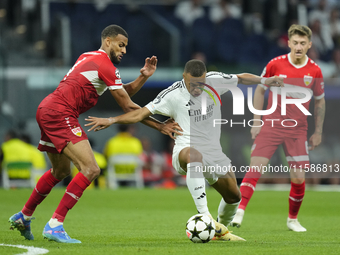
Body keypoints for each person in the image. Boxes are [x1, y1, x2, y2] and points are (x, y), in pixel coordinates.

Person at [8, 24, 181, 243]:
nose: (124, 51)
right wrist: (161, 126)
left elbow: (121, 92)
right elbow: (128, 107)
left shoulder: (88, 56)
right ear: (108, 41)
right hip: (61, 112)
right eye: (121, 45)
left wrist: (143, 77)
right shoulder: (106, 65)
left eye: (125, 47)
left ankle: (24, 215)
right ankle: (55, 224)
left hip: (47, 108)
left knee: (60, 171)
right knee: (90, 169)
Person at [85, 59, 284, 241]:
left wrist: (264, 81)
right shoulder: (172, 94)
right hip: (185, 150)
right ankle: (205, 217)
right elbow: (139, 114)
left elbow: (240, 77)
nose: (198, 88)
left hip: (214, 153)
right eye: (192, 83)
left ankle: (219, 229)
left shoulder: (215, 81)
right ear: (183, 77)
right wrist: (111, 120)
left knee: (234, 197)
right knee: (193, 155)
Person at [230, 24, 326, 232]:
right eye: (295, 42)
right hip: (272, 125)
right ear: (289, 43)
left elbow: (320, 101)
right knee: (256, 167)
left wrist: (317, 132)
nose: (298, 46)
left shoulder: (315, 70)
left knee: (299, 178)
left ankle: (292, 219)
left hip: (298, 130)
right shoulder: (275, 64)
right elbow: (259, 90)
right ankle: (240, 211)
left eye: (303, 43)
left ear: (309, 45)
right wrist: (257, 120)